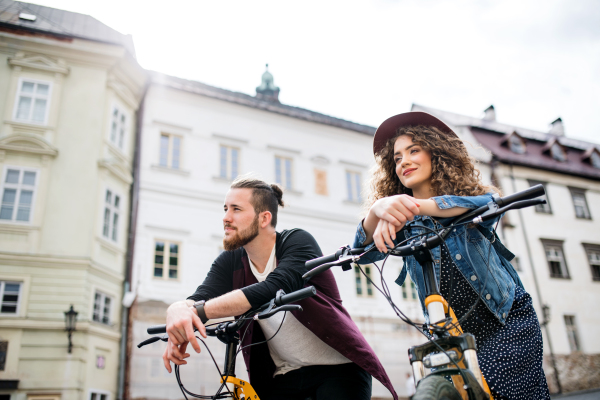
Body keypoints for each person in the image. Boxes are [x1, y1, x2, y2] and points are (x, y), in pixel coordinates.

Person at [353, 112, 550, 400]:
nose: (404, 161)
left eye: (414, 150)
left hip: (505, 321)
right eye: (396, 158)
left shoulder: (465, 200)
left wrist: (412, 205)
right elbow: (362, 253)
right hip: (450, 334)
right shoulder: (402, 224)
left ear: (437, 154)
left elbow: (487, 202)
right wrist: (377, 211)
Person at [163, 176, 398, 400]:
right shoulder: (230, 261)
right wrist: (177, 312)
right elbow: (198, 298)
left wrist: (196, 313)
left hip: (339, 369)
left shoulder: (297, 242)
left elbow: (273, 288)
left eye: (236, 209)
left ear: (264, 218)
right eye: (225, 209)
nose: (226, 217)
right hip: (286, 376)